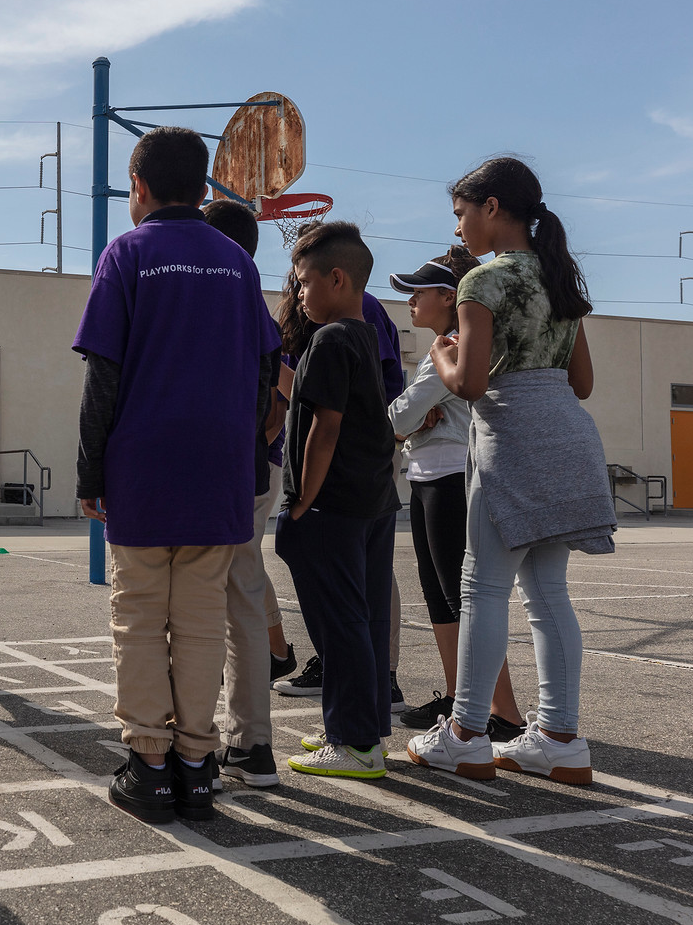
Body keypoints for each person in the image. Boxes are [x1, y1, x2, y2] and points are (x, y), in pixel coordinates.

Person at [74, 127, 273, 823]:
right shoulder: (237, 262)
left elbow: (104, 373)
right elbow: (262, 373)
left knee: (137, 617)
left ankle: (150, 763)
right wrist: (244, 461)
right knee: (199, 620)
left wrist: (88, 469)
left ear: (140, 187)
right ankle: (197, 762)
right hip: (218, 467)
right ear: (202, 189)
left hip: (143, 463)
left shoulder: (128, 253)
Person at [407, 156, 614, 785]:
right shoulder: (560, 278)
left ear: (492, 207)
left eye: (463, 212)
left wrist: (443, 361)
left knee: (484, 587)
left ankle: (466, 732)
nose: (462, 226)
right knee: (549, 594)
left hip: (513, 436)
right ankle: (558, 736)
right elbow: (583, 382)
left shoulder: (481, 283)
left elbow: (469, 385)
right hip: (570, 438)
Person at [275, 221, 401, 779]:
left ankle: (353, 743)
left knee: (341, 621)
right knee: (365, 619)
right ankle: (362, 731)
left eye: (304, 283)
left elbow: (323, 429)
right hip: (373, 501)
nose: (299, 294)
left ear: (337, 277)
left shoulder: (328, 340)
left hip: (332, 506)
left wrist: (301, 501)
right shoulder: (363, 335)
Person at [389, 249, 525, 741]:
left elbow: (400, 418)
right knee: (439, 598)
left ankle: (504, 711)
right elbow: (407, 417)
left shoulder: (451, 347)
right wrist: (407, 422)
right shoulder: (440, 350)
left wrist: (405, 423)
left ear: (450, 297)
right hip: (428, 478)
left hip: (450, 477)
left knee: (462, 598)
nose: (410, 301)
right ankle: (457, 696)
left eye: (418, 292)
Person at [201, 198, 287, 788]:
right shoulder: (258, 310)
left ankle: (189, 744)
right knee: (244, 604)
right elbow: (277, 397)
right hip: (255, 473)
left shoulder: (210, 303)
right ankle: (253, 744)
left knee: (190, 607)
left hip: (215, 473)